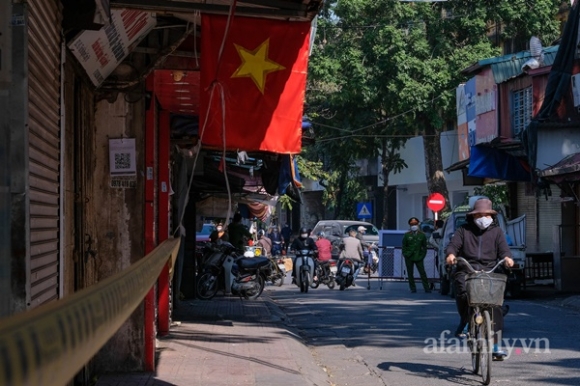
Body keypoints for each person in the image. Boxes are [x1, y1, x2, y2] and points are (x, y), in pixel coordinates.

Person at [445, 198, 514, 360]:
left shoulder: (497, 232)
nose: (482, 218)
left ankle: (495, 345)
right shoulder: (463, 230)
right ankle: (466, 320)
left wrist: (508, 259)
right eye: (479, 215)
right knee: (462, 293)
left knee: (495, 306)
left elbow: (504, 250)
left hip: (490, 271)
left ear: (491, 216)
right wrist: (451, 255)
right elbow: (453, 245)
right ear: (472, 216)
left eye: (486, 215)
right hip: (467, 270)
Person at [402, 217, 431, 293]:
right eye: (412, 224)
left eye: (415, 224)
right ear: (409, 225)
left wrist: (422, 255)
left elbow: (424, 247)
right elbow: (404, 246)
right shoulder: (407, 235)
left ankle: (426, 288)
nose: (413, 225)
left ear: (418, 224)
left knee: (422, 273)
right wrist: (405, 254)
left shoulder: (422, 235)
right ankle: (412, 288)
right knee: (410, 273)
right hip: (409, 256)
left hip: (419, 256)